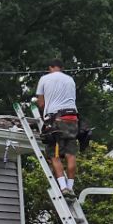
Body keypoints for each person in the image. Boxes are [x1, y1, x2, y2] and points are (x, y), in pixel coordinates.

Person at [33, 60, 80, 192]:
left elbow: (41, 103)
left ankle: (63, 187)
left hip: (56, 119)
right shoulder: (70, 80)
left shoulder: (44, 78)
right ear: (62, 67)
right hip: (73, 118)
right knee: (71, 154)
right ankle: (71, 187)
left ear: (50, 67)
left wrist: (41, 106)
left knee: (54, 154)